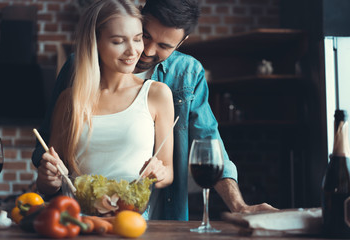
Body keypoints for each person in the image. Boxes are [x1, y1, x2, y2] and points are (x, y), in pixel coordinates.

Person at [33, 0, 276, 220]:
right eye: (145, 36)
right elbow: (47, 149)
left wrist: (239, 205)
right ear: (140, 16)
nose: (146, 51)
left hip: (152, 214)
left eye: (163, 45)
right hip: (79, 217)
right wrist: (50, 176)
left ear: (181, 43)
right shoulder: (77, 67)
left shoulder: (185, 74)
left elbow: (208, 138)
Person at [35, 0, 174, 211]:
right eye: (118, 41)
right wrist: (48, 178)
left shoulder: (157, 94)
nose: (132, 51)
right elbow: (48, 185)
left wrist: (159, 173)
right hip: (79, 222)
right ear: (95, 43)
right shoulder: (69, 100)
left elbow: (168, 172)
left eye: (137, 39)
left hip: (131, 222)